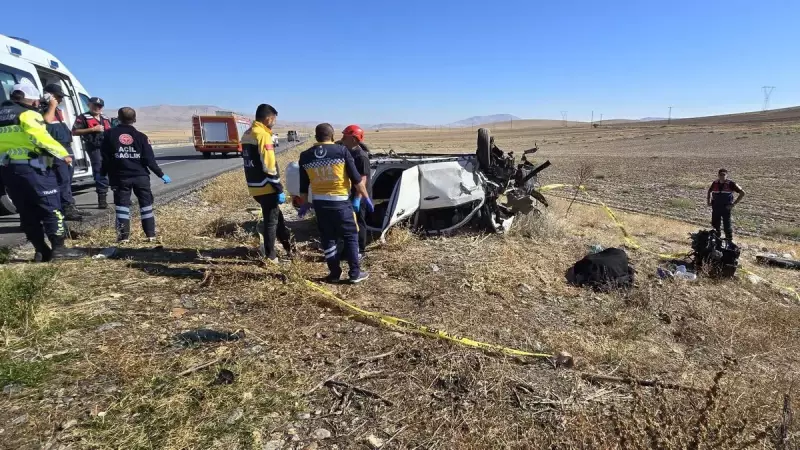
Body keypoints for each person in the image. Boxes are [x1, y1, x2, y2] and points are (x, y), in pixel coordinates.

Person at [0, 79, 84, 261]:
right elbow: (41, 137)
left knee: (26, 211)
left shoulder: (1, 115)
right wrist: (64, 155)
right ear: (31, 99)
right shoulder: (27, 115)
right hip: (34, 170)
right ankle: (59, 250)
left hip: (9, 171)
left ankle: (41, 250)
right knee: (51, 208)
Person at [297, 123, 373, 283]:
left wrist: (304, 204)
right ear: (332, 137)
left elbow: (303, 186)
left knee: (328, 237)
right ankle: (354, 273)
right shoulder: (341, 151)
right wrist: (365, 197)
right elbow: (357, 180)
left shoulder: (305, 156)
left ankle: (334, 274)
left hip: (319, 204)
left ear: (316, 136)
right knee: (351, 235)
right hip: (340, 203)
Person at [100, 107, 171, 242]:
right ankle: (150, 235)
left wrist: (102, 173)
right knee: (146, 205)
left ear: (118, 118)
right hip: (141, 177)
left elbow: (105, 158)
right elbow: (149, 160)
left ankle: (123, 237)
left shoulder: (109, 135)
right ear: (135, 119)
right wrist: (161, 174)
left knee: (122, 206)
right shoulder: (141, 137)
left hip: (120, 177)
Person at [240, 104, 293, 262]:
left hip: (254, 186)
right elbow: (269, 165)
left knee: (277, 218)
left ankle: (289, 248)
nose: (274, 122)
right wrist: (278, 188)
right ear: (268, 118)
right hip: (266, 186)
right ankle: (271, 257)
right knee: (271, 222)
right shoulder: (262, 135)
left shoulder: (247, 133)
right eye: (274, 119)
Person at [42, 83, 86, 221]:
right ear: (49, 95)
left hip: (66, 146)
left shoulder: (58, 110)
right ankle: (66, 209)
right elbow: (46, 121)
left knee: (68, 178)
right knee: (63, 179)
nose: (60, 100)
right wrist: (51, 105)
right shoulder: (44, 108)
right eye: (58, 97)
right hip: (56, 148)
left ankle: (70, 205)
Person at [72, 97, 112, 209]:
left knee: (114, 170)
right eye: (94, 105)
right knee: (99, 171)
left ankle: (120, 196)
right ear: (89, 105)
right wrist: (92, 130)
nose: (97, 108)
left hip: (108, 148)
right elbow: (75, 131)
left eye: (99, 106)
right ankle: (102, 199)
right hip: (95, 148)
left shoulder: (105, 118)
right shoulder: (83, 117)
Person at [339, 125, 370, 257]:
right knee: (349, 223)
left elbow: (363, 179)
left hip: (359, 195)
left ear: (354, 139)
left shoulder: (361, 156)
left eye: (345, 136)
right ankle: (348, 249)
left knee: (359, 221)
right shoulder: (346, 151)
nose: (342, 138)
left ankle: (360, 250)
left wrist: (357, 198)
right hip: (348, 193)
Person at [707, 168, 745, 241]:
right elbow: (709, 191)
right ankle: (716, 239)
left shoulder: (731, 183)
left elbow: (742, 193)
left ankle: (729, 241)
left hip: (726, 208)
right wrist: (708, 201)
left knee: (727, 225)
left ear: (726, 175)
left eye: (724, 175)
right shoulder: (715, 183)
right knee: (715, 225)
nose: (722, 176)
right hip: (716, 207)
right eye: (720, 175)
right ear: (718, 175)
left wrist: (733, 204)